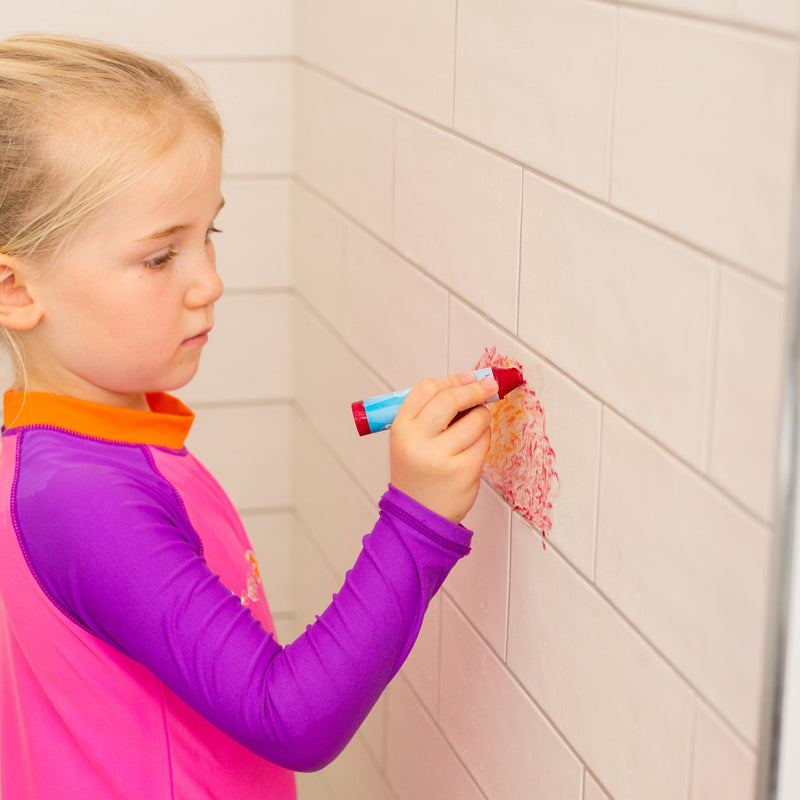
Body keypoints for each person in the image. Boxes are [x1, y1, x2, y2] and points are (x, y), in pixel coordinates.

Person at [0, 34, 496, 799]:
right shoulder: (81, 498)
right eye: (161, 257)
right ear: (16, 291)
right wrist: (418, 518)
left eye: (210, 235)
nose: (210, 283)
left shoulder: (82, 448)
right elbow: (289, 717)